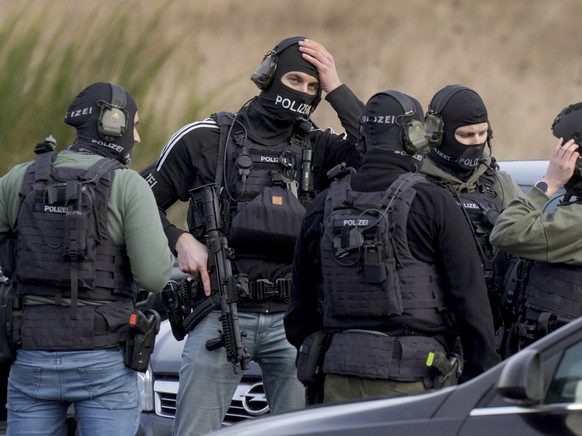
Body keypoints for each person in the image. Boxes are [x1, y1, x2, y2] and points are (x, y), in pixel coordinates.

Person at [141, 36, 363, 435]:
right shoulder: (207, 137)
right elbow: (136, 201)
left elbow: (383, 154)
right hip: (220, 314)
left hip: (294, 322)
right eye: (295, 79)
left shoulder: (319, 144)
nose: (303, 93)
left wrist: (336, 88)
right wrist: (179, 238)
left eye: (313, 88)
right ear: (268, 76)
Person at [284, 90, 500, 405]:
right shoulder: (433, 202)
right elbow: (471, 301)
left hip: (335, 381)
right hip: (413, 385)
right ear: (414, 137)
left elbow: (299, 316)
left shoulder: (322, 205)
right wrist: (481, 382)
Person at [0, 82, 175, 435]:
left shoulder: (19, 178)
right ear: (113, 123)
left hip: (31, 355)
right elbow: (156, 276)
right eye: (135, 125)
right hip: (103, 359)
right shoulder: (128, 185)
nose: (137, 139)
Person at [420, 84, 522, 355]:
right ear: (436, 133)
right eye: (465, 135)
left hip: (494, 331)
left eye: (482, 133)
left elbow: (525, 242)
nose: (477, 142)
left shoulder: (500, 183)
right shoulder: (413, 184)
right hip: (434, 333)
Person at [490, 102, 582, 352]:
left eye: (565, 149)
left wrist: (548, 184)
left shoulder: (577, 222)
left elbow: (506, 231)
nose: (557, 156)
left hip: (553, 364)